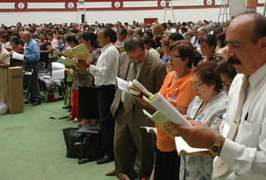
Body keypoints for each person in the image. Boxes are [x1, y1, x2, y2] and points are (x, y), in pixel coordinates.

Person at [177, 12, 266, 179]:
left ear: (263, 45)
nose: (229, 53)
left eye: (236, 45)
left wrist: (215, 142)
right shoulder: (239, 80)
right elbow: (231, 134)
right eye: (227, 44)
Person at [109, 35, 167, 179]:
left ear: (144, 48)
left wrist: (147, 100)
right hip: (122, 108)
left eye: (139, 56)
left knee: (144, 150)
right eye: (133, 58)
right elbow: (119, 79)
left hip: (142, 113)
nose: (136, 60)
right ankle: (123, 173)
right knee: (120, 146)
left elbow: (160, 95)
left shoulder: (157, 65)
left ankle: (144, 176)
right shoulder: (122, 58)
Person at [154, 40, 197, 180]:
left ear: (186, 60)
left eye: (174, 56)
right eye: (170, 55)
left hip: (175, 142)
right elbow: (159, 98)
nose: (169, 59)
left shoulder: (190, 82)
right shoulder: (170, 75)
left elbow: (180, 112)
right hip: (162, 136)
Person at [180, 62, 228, 180]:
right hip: (188, 165)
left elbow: (216, 140)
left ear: (212, 84)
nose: (195, 89)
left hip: (206, 168)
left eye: (198, 85)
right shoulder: (197, 100)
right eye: (193, 84)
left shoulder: (224, 105)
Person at [79, 28, 119, 165]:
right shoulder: (105, 51)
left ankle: (110, 152)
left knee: (107, 121)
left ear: (108, 38)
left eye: (100, 37)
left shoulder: (110, 52)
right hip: (103, 88)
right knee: (104, 120)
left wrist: (88, 67)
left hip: (107, 88)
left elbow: (105, 72)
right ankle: (106, 148)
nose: (97, 39)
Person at [21, 31, 42, 106]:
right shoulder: (27, 43)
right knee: (29, 81)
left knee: (33, 81)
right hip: (27, 64)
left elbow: (36, 55)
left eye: (24, 38)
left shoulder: (34, 43)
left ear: (28, 37)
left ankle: (37, 98)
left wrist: (26, 57)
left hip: (33, 64)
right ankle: (32, 97)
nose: (23, 39)